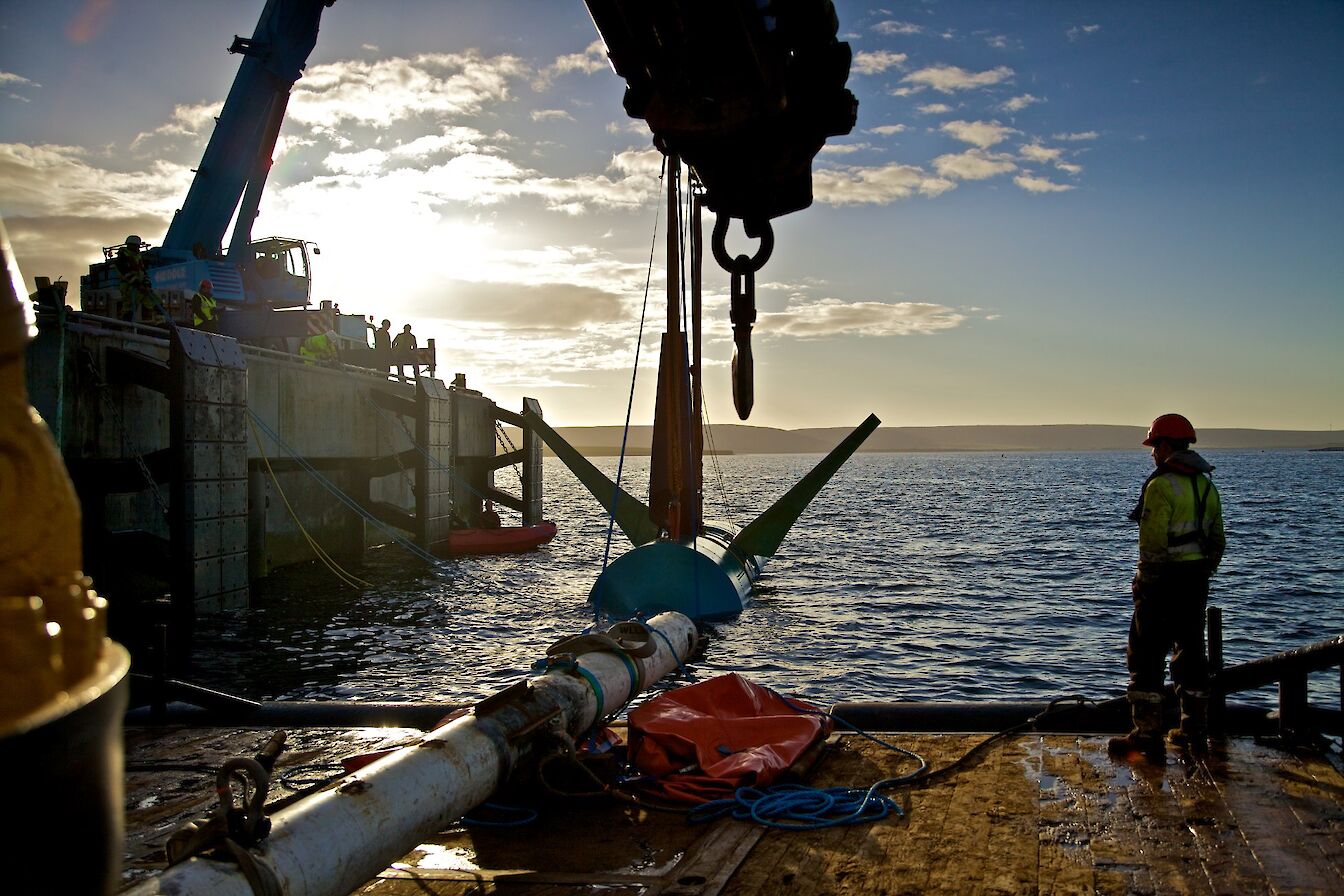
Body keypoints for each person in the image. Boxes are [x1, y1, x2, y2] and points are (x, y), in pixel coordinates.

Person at [1108, 413, 1226, 758]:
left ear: (1164, 446)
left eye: (1153, 447)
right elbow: (1217, 539)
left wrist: (1145, 584)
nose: (1151, 454)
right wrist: (1203, 572)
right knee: (1191, 654)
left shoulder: (1160, 486)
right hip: (1195, 581)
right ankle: (1193, 730)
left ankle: (1146, 735)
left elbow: (1153, 544)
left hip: (1161, 583)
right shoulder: (1206, 485)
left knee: (1145, 655)